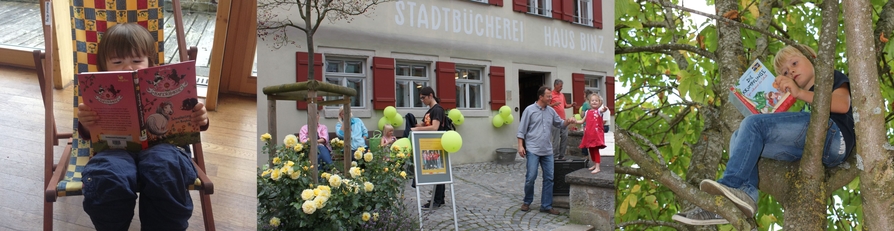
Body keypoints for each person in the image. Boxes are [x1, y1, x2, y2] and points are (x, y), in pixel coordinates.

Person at [672, 45, 855, 225]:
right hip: (821, 152)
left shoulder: (829, 78)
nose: (790, 72)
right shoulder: (804, 106)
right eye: (784, 72)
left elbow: (842, 104)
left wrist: (798, 93)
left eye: (794, 63)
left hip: (835, 136)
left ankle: (732, 184)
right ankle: (740, 197)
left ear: (813, 58)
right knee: (738, 136)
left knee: (753, 124)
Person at [76, 23, 210, 230]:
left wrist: (201, 118)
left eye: (137, 60)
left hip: (164, 147)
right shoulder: (100, 91)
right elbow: (89, 133)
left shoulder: (166, 85)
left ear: (150, 62)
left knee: (165, 168)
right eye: (118, 61)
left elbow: (189, 123)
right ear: (104, 67)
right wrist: (85, 122)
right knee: (108, 175)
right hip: (115, 150)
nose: (128, 67)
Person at [517, 86, 574, 215]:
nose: (551, 98)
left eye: (551, 96)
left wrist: (568, 121)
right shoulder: (529, 110)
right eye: (548, 96)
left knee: (549, 178)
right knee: (531, 177)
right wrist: (520, 146)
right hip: (533, 149)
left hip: (547, 150)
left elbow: (559, 124)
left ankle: (546, 205)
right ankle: (527, 201)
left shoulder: (551, 111)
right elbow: (521, 130)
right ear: (541, 96)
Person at [410, 86, 450, 210]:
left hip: (436, 144)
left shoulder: (437, 109)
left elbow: (434, 127)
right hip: (430, 144)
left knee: (438, 172)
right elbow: (423, 124)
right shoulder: (430, 111)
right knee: (438, 172)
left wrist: (417, 129)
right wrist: (411, 121)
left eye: (423, 97)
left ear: (430, 96)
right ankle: (439, 198)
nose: (422, 100)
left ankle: (437, 200)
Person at [570, 93, 608, 174]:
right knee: (590, 149)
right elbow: (582, 121)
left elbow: (602, 110)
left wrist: (604, 109)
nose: (594, 102)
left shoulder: (598, 111)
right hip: (589, 134)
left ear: (599, 102)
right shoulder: (587, 112)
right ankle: (594, 164)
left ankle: (598, 167)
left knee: (595, 150)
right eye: (592, 100)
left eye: (596, 101)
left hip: (596, 134)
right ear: (589, 102)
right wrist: (575, 121)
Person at [549, 79, 575, 160]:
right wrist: (554, 104)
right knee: (556, 139)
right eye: (560, 86)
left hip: (563, 120)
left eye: (562, 86)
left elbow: (565, 105)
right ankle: (555, 156)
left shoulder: (562, 95)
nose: (561, 88)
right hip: (555, 121)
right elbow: (546, 106)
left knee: (565, 137)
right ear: (555, 85)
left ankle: (562, 155)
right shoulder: (551, 94)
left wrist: (571, 105)